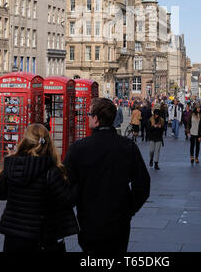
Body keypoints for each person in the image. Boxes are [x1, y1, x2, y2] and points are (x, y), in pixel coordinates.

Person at [63, 97, 150, 254]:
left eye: (89, 114)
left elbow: (66, 184)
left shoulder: (78, 148)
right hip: (119, 220)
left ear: (96, 119)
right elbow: (143, 185)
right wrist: (129, 209)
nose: (87, 117)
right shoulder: (128, 146)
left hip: (89, 218)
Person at [0, 123, 79, 252]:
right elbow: (67, 200)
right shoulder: (51, 170)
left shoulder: (12, 165)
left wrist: (7, 167)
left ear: (25, 141)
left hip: (13, 235)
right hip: (42, 236)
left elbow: (0, 194)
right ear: (48, 142)